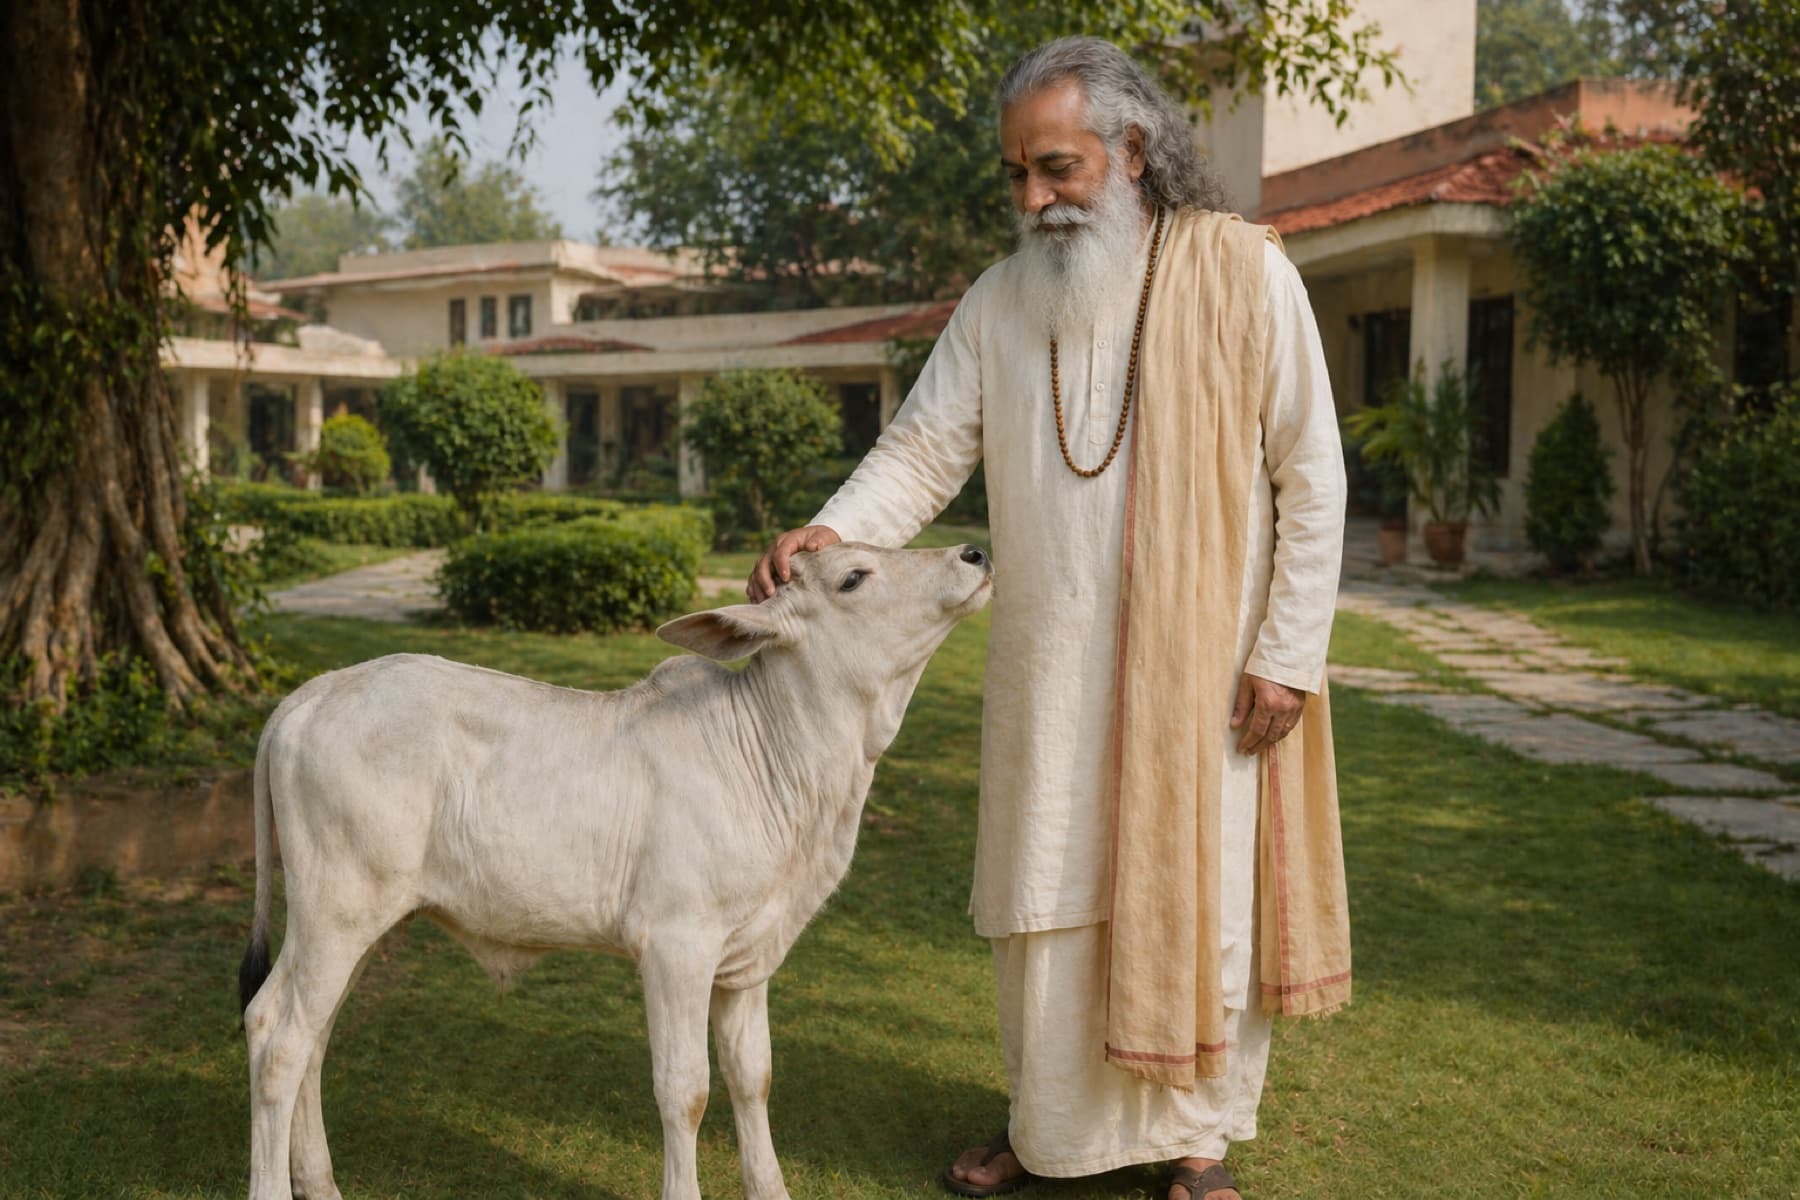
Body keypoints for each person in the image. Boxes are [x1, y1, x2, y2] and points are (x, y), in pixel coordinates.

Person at [749, 37, 1350, 1200]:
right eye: (1018, 174)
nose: (1034, 198)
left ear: (1133, 150)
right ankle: (1051, 1128)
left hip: (1206, 672)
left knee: (1199, 893)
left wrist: (1286, 653)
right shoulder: (1003, 299)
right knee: (1049, 902)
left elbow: (1311, 474)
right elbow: (923, 448)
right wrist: (833, 532)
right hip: (1050, 668)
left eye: (1058, 168)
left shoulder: (1244, 273)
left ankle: (1197, 1145)